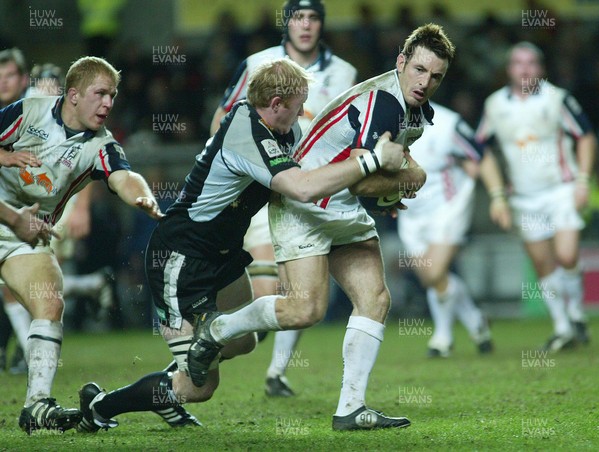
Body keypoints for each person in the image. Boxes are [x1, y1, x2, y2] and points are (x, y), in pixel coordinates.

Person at [76, 57, 407, 432]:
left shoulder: (281, 129)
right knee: (198, 387)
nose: (302, 116)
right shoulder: (247, 130)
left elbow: (316, 176)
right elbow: (301, 187)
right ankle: (102, 405)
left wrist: (379, 190)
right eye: (298, 107)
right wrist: (375, 161)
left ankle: (172, 385)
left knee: (243, 341)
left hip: (223, 253)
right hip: (181, 257)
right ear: (277, 103)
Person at [186, 23, 453, 431]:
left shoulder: (414, 107)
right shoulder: (384, 101)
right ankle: (216, 329)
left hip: (341, 205)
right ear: (401, 62)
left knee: (375, 299)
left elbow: (379, 174)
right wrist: (408, 179)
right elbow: (367, 178)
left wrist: (394, 189)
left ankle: (350, 408)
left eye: (435, 76)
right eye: (418, 69)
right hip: (305, 203)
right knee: (304, 309)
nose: (425, 82)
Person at [0, 56, 165, 434]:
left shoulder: (100, 145)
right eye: (101, 94)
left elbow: (124, 176)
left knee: (50, 301)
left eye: (113, 96)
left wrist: (143, 197)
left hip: (22, 236)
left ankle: (36, 406)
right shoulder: (27, 112)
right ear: (73, 95)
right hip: (11, 220)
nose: (108, 103)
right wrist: (12, 214)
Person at [211, 0, 358, 398]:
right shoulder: (258, 62)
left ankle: (275, 373)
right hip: (262, 185)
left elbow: (350, 131)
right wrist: (216, 161)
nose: (305, 25)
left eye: (313, 18)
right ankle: (208, 345)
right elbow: (225, 115)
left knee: (303, 294)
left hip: (313, 189)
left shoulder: (345, 72)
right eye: (298, 17)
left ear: (322, 24)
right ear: (287, 23)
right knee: (266, 293)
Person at [476, 42, 597, 352]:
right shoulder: (494, 105)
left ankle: (575, 313)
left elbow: (585, 136)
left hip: (561, 188)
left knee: (568, 256)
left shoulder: (557, 98)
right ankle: (563, 326)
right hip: (524, 198)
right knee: (542, 263)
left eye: (531, 63)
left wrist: (583, 180)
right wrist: (497, 195)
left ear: (541, 68)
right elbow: (481, 150)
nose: (525, 69)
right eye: (518, 63)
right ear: (509, 69)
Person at [397, 101, 493, 358]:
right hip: (410, 213)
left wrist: (498, 197)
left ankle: (442, 337)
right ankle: (476, 320)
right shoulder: (385, 118)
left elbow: (480, 155)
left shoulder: (448, 122)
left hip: (448, 206)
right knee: (432, 278)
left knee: (435, 271)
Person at [0, 47, 33, 375]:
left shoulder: (40, 110)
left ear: (23, 79)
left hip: (46, 204)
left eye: (9, 76)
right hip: (10, 210)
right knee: (10, 283)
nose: (3, 84)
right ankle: (30, 351)